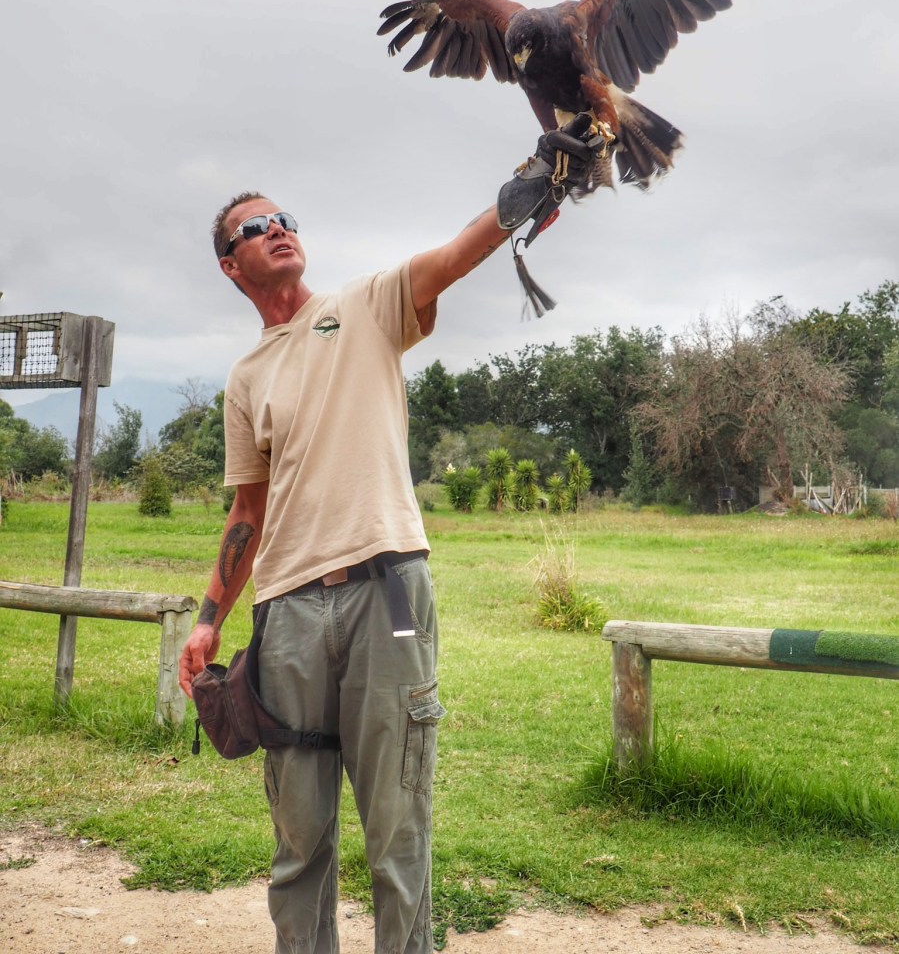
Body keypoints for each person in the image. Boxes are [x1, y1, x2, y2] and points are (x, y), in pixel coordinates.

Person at [178, 119, 599, 954]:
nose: (277, 231)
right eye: (254, 228)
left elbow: (452, 257)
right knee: (299, 842)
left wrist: (527, 193)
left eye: (284, 218)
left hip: (387, 594)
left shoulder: (363, 306)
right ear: (231, 265)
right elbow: (246, 515)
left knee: (396, 834)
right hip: (289, 615)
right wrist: (208, 619)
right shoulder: (245, 378)